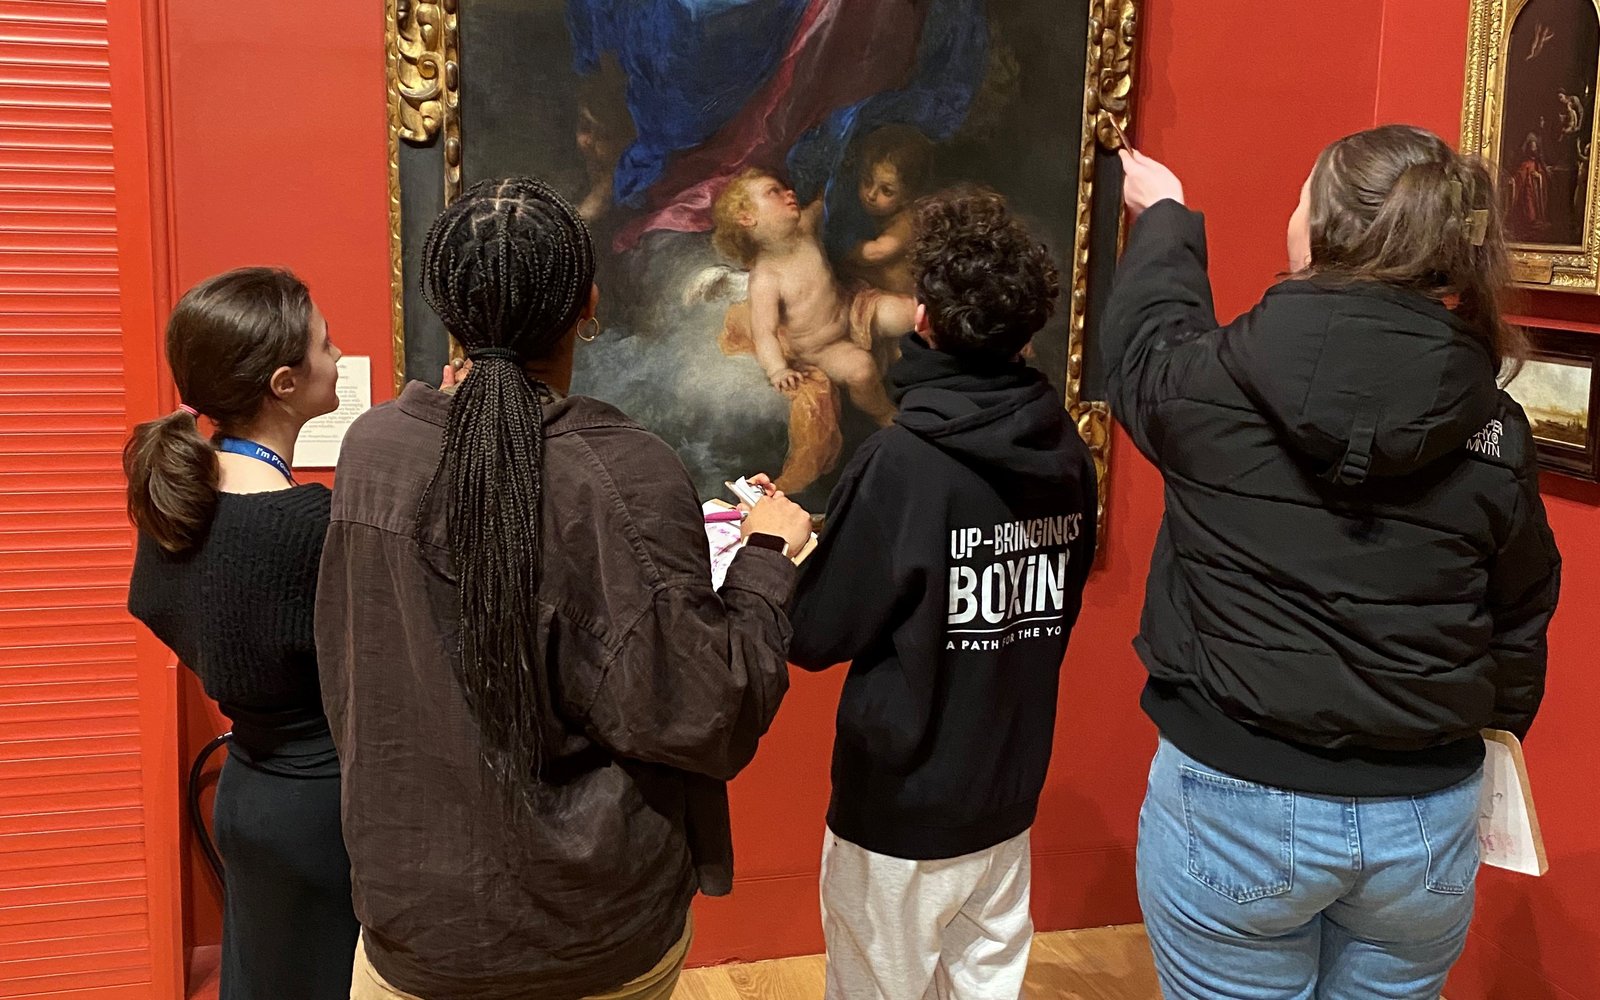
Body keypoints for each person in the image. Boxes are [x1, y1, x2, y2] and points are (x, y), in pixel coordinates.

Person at [315, 177, 814, 1000]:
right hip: (589, 941)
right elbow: (709, 713)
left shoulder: (373, 452)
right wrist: (766, 557)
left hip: (415, 924)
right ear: (588, 303)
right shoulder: (622, 474)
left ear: (447, 309)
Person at [1106, 124, 1561, 999]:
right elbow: (1521, 613)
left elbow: (1140, 348)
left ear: (1320, 229)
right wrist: (1482, 730)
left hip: (1237, 801)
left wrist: (1163, 216)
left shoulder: (1208, 386)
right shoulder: (1497, 427)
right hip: (1425, 820)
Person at [787, 188, 1099, 1000]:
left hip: (901, 807)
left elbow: (815, 633)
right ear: (1028, 328)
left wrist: (785, 547)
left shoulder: (902, 465)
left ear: (922, 318)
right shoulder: (1065, 450)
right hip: (1005, 790)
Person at [124, 267, 357, 1000]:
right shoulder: (305, 524)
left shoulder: (181, 504)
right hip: (325, 811)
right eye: (326, 343)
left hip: (248, 796)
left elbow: (152, 604)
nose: (341, 354)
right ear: (284, 384)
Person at [711, 167, 912, 422]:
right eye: (774, 192)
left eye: (785, 188)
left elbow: (823, 201)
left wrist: (826, 189)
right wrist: (778, 370)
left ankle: (947, 349)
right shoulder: (766, 278)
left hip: (853, 309)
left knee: (908, 311)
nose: (789, 193)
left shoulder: (804, 227)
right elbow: (765, 333)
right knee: (861, 372)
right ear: (747, 217)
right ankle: (884, 413)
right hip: (824, 348)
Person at [847, 124, 936, 296]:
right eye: (867, 181)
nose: (871, 195)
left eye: (886, 191)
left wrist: (840, 249)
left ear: (908, 196)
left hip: (904, 297)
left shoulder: (907, 220)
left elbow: (877, 253)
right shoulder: (877, 211)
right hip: (881, 285)